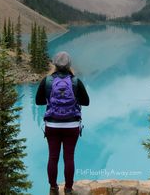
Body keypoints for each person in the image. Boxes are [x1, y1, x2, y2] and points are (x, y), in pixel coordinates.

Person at [35, 51, 90, 195]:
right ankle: (68, 189)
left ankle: (53, 188)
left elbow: (38, 101)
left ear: (54, 64)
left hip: (52, 125)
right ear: (69, 65)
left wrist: (50, 99)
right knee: (69, 157)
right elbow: (86, 102)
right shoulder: (75, 81)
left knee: (53, 157)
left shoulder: (47, 81)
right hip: (71, 126)